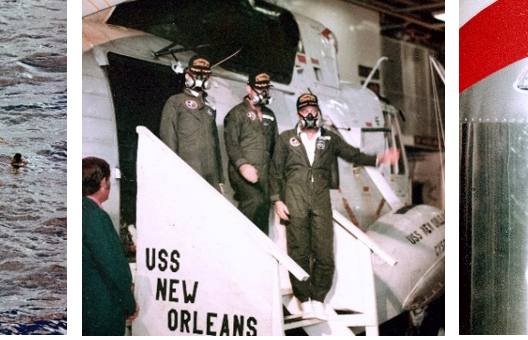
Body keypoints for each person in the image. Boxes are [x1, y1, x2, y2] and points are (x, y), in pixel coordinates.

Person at [269, 93, 399, 321]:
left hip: (320, 201)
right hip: (294, 200)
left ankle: (318, 298)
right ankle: (304, 299)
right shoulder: (285, 138)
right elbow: (275, 171)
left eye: (313, 109)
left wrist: (378, 159)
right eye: (305, 110)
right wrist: (277, 199)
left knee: (324, 252)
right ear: (299, 113)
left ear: (318, 112)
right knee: (298, 252)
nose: (310, 113)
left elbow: (353, 155)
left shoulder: (329, 138)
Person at [82, 157, 137, 335]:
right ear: (103, 183)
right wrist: (129, 305)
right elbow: (112, 268)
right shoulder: (96, 217)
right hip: (102, 315)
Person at [160, 55, 224, 192]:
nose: (200, 78)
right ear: (187, 75)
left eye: (204, 74)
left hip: (211, 175)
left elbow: (215, 145)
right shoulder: (175, 101)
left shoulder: (210, 106)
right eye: (196, 73)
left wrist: (220, 181)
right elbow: (168, 140)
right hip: (187, 171)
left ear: (209, 78)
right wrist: (173, 173)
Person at [223, 72, 278, 234]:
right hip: (243, 174)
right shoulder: (236, 114)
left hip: (265, 175)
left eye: (266, 89)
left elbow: (275, 146)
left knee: (263, 212)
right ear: (249, 89)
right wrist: (243, 165)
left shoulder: (270, 115)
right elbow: (232, 144)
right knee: (254, 202)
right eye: (259, 89)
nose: (263, 93)